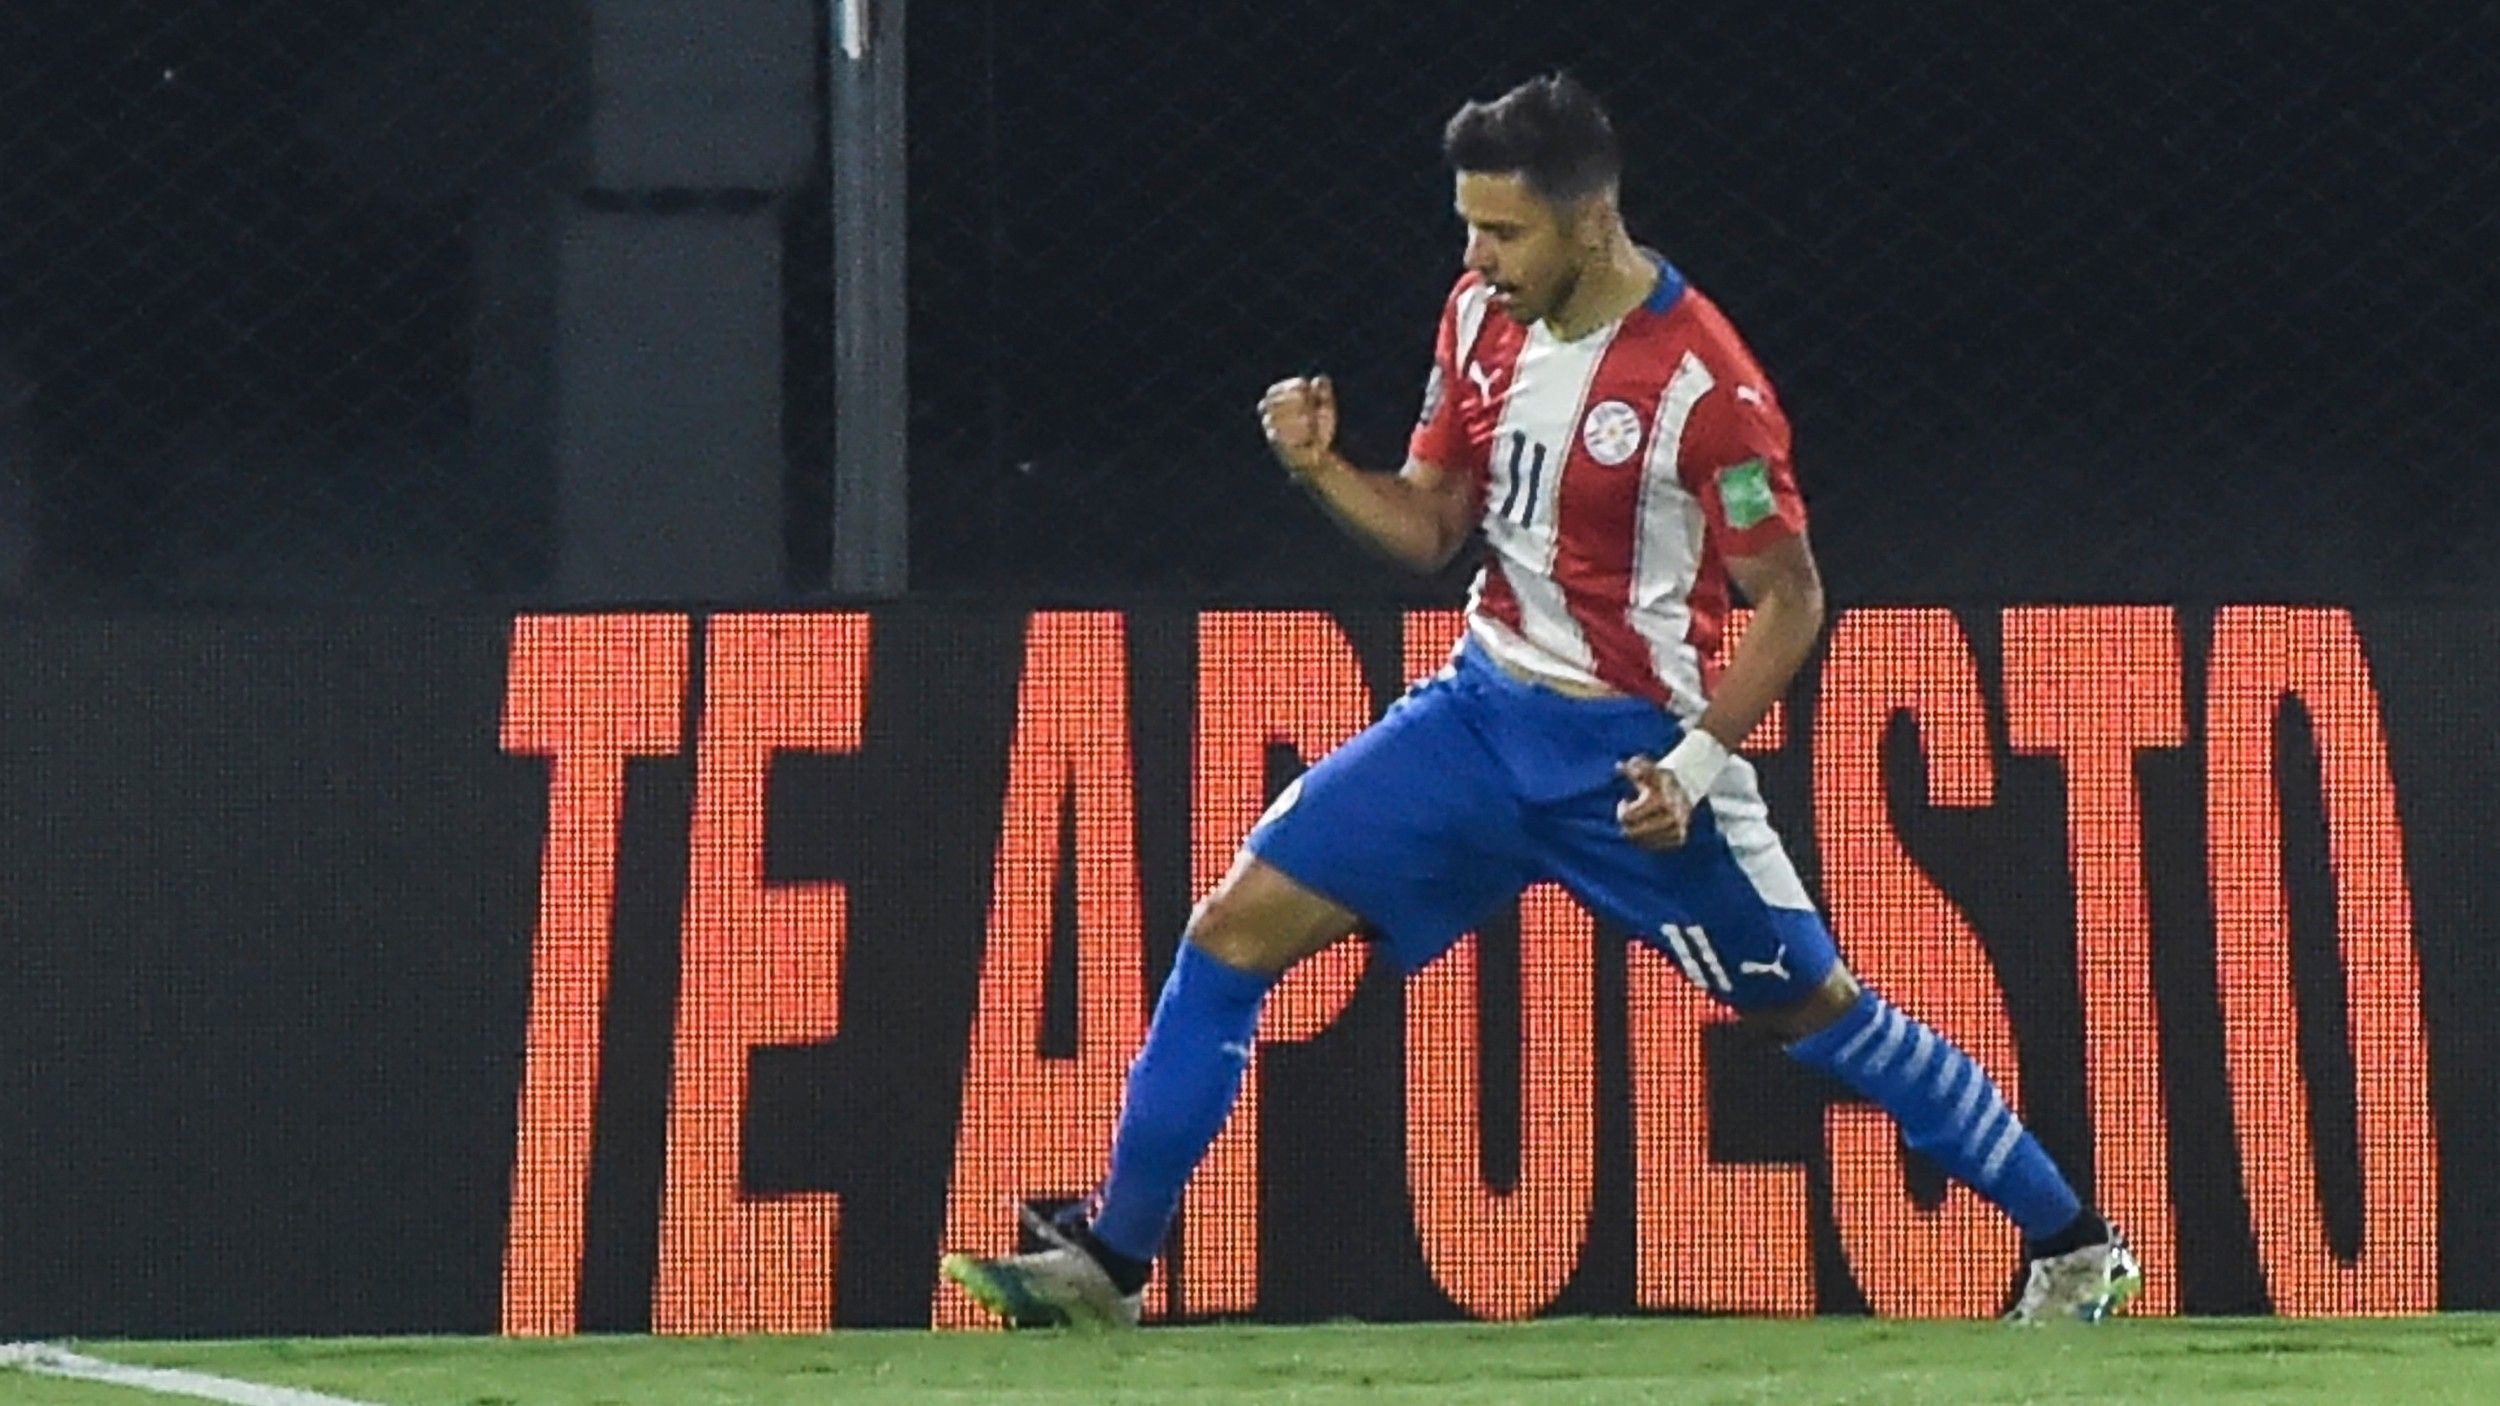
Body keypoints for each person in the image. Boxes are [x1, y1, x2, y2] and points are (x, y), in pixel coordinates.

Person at [941, 73, 2141, 1329]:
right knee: (1231, 932)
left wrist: (1691, 762)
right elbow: (1429, 527)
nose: (1476, 255)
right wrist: (1315, 472)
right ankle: (1110, 1264)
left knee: (1817, 1011)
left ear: (1588, 217)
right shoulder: (1478, 319)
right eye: (1468, 226)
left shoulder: (1704, 389)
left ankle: (2071, 1242)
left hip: (1631, 765)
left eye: (1501, 230)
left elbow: (1789, 599)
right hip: (1474, 718)